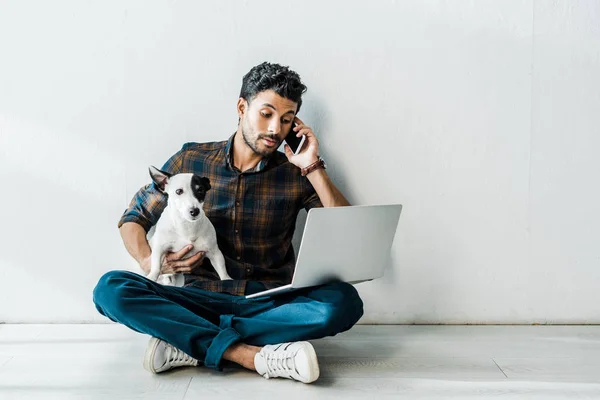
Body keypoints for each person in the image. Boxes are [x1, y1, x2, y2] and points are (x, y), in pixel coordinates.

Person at [93, 62, 364, 384]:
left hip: (267, 299)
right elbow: (133, 218)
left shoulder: (296, 173)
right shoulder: (189, 161)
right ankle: (250, 354)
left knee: (343, 301)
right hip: (196, 298)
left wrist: (312, 165)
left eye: (287, 119)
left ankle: (191, 341)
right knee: (111, 288)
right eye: (266, 113)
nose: (276, 129)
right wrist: (151, 261)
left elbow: (349, 232)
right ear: (241, 107)